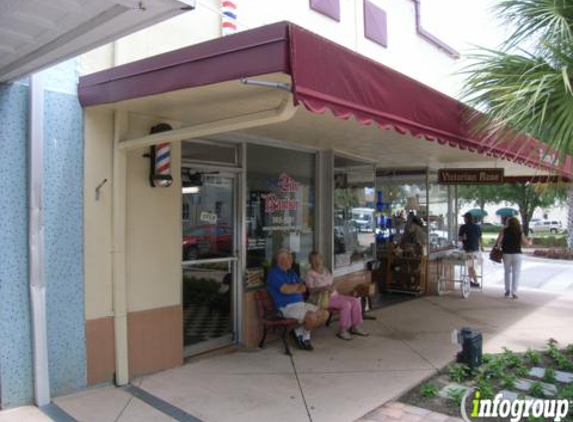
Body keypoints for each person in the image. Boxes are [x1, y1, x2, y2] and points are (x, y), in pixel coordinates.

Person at [267, 249, 329, 351]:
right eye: (290, 259)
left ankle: (298, 332)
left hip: (300, 304)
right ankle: (305, 338)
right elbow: (285, 290)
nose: (292, 261)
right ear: (282, 260)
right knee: (311, 317)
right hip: (286, 307)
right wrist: (296, 287)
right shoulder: (274, 273)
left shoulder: (291, 272)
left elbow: (303, 288)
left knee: (324, 314)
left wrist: (294, 288)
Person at [305, 251, 369, 341]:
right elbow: (311, 290)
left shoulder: (325, 270)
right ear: (310, 261)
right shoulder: (309, 273)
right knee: (345, 304)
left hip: (334, 295)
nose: (317, 262)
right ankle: (343, 330)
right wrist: (324, 288)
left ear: (321, 260)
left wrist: (332, 287)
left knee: (354, 300)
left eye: (318, 259)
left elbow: (333, 282)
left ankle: (355, 326)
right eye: (313, 260)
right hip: (322, 299)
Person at [495, 216, 531, 299]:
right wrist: (530, 241)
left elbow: (498, 242)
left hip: (506, 253)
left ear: (508, 223)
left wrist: (500, 244)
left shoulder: (504, 231)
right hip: (517, 254)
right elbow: (526, 244)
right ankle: (514, 292)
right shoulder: (519, 232)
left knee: (507, 272)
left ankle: (507, 291)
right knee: (516, 273)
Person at [458, 212, 484, 288]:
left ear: (466, 218)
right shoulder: (477, 226)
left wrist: (464, 238)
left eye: (464, 218)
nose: (464, 219)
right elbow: (480, 238)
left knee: (470, 266)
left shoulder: (463, 227)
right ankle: (471, 281)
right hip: (476, 248)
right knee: (471, 266)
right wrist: (481, 246)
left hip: (468, 249)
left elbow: (460, 238)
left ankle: (475, 282)